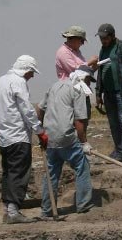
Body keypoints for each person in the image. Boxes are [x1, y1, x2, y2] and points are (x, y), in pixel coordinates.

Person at [0, 55, 48, 224]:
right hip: (18, 136)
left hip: (4, 136)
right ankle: (13, 211)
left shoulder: (0, 81)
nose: (32, 76)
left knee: (8, 172)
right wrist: (39, 131)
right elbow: (27, 109)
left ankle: (8, 210)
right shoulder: (18, 82)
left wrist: (4, 118)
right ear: (25, 70)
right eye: (31, 72)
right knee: (19, 172)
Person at [37, 68, 95, 217]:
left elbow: (40, 109)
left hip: (50, 137)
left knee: (51, 173)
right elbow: (79, 120)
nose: (89, 84)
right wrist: (84, 143)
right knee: (82, 165)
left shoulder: (55, 86)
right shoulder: (78, 88)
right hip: (66, 136)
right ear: (84, 78)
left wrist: (40, 131)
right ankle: (83, 205)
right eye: (89, 80)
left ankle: (47, 209)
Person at [90, 23, 122, 162]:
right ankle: (119, 151)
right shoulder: (103, 50)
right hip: (108, 93)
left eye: (105, 38)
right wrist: (98, 94)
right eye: (101, 38)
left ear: (112, 36)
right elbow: (101, 72)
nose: (103, 40)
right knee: (113, 124)